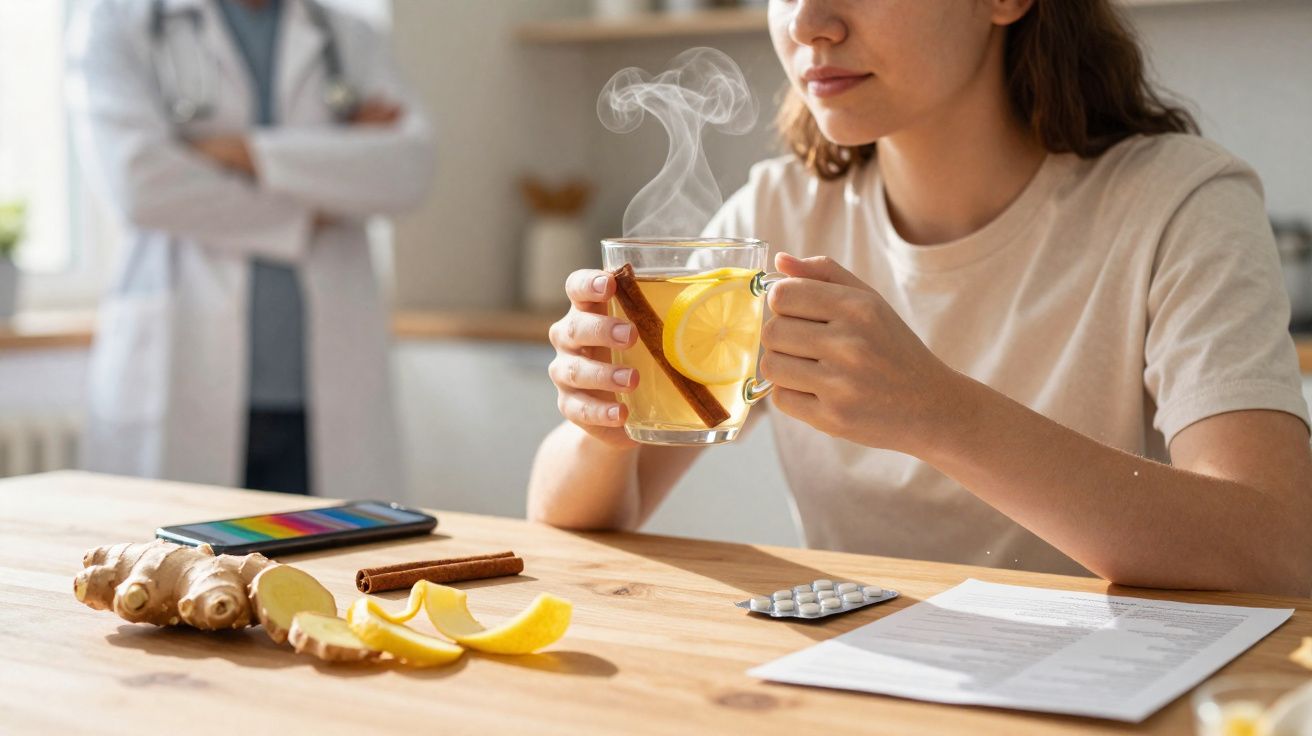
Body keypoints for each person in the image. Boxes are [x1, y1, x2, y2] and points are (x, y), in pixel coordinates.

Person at [528, 0, 1312, 596]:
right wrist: (606, 415)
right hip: (858, 680)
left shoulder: (1178, 202)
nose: (808, 22)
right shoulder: (778, 216)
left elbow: (1276, 547)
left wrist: (940, 414)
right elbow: (580, 515)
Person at [67, 0, 434, 496]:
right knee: (185, 568)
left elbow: (404, 171)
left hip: (320, 397)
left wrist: (239, 152)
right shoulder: (119, 22)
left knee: (323, 568)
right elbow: (141, 184)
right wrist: (320, 192)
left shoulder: (350, 35)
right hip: (180, 371)